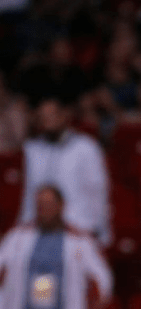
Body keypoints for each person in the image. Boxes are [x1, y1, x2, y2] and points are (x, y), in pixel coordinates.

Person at [0, 185, 113, 309]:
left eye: (49, 204)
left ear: (61, 205)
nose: (44, 209)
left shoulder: (80, 241)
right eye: (40, 205)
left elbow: (102, 281)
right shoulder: (16, 237)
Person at [19, 97, 112, 247]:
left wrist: (98, 228)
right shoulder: (31, 150)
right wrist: (23, 225)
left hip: (79, 227)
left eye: (52, 115)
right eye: (44, 117)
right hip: (39, 229)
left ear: (64, 115)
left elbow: (97, 191)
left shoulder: (86, 147)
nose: (49, 121)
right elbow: (28, 194)